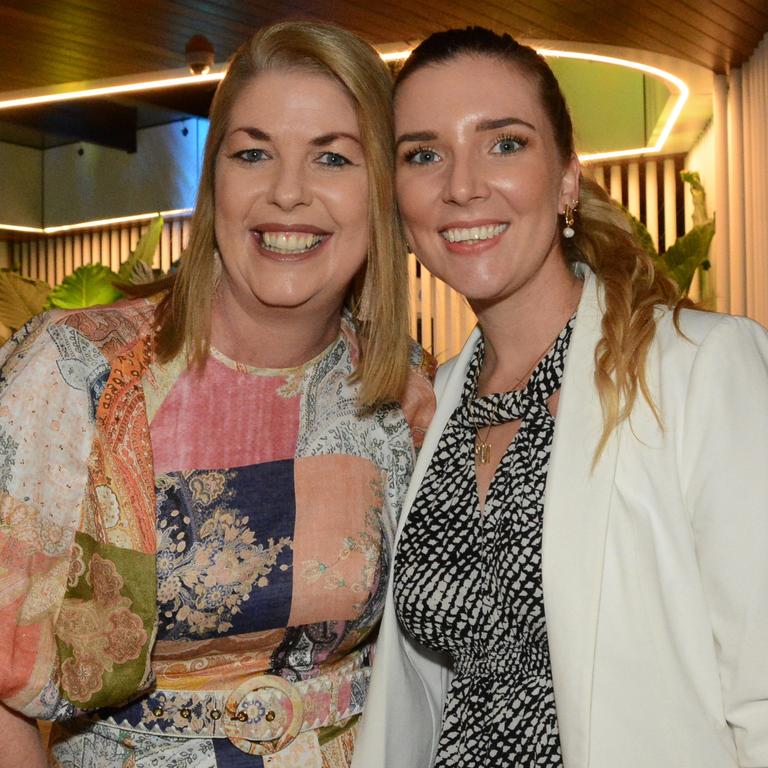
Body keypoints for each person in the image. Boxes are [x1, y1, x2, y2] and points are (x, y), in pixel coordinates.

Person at [0, 20, 435, 768]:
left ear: (382, 195)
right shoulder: (77, 372)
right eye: (253, 153)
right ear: (214, 184)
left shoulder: (403, 389)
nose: (288, 193)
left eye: (332, 157)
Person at [352, 26, 768, 768]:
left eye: (504, 143)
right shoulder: (436, 402)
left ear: (568, 179)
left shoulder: (701, 369)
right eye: (424, 154)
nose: (462, 184)